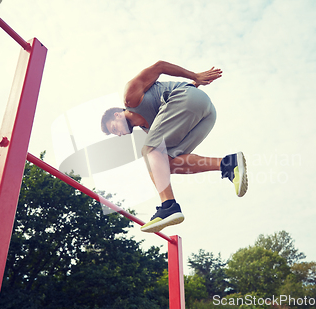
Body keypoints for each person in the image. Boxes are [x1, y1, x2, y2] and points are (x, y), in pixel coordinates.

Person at [101, 60, 248, 233]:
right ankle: (228, 164)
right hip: (206, 114)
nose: (118, 134)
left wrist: (195, 77)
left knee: (150, 151)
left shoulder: (131, 97)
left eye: (114, 128)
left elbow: (160, 66)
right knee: (167, 163)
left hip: (188, 97)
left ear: (117, 115)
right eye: (115, 133)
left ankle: (168, 206)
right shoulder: (150, 130)